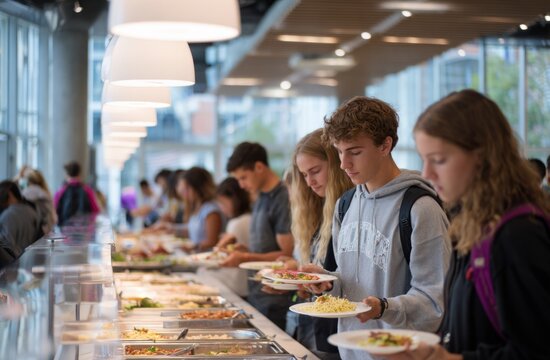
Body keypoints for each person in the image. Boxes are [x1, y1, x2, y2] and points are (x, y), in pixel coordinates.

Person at [386, 89, 550, 360]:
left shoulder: (517, 234)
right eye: (424, 159)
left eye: (438, 160)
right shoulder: (472, 222)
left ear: (482, 156)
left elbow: (535, 349)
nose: (427, 173)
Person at [306, 96, 451, 360]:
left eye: (355, 152)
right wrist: (327, 283)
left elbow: (434, 301)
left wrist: (384, 307)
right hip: (348, 352)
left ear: (386, 145)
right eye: (339, 151)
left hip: (398, 353)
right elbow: (350, 283)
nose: (343, 164)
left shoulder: (420, 208)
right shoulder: (345, 204)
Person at [285, 128, 354, 359]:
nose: (310, 182)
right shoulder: (317, 212)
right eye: (304, 175)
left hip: (341, 332)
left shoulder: (350, 209)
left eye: (315, 171)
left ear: (336, 165)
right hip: (313, 325)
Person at [221, 141, 294, 330]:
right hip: (257, 291)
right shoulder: (260, 196)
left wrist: (245, 257)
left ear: (259, 167)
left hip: (274, 297)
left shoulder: (282, 198)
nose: (241, 185)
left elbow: (285, 255)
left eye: (243, 177)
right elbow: (264, 248)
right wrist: (245, 250)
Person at [200, 177, 252, 297]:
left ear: (234, 199)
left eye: (223, 203)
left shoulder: (237, 223)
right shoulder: (249, 218)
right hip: (243, 282)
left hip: (237, 283)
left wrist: (218, 246)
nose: (222, 208)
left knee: (201, 273)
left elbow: (220, 255)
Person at [154, 167, 223, 251]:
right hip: (195, 257)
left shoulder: (211, 210)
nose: (184, 195)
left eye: (186, 190)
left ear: (197, 188)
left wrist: (191, 247)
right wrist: (171, 228)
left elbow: (212, 241)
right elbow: (192, 230)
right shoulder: (197, 207)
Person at [0, 180, 42, 267]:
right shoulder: (31, 210)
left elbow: (6, 245)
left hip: (14, 265)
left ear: (10, 194)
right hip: (30, 262)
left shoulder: (8, 215)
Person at [54, 161, 100, 225]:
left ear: (67, 174)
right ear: (79, 173)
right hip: (84, 229)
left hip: (65, 229)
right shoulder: (87, 190)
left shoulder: (61, 190)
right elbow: (96, 210)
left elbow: (54, 210)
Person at [19, 168, 57, 234]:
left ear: (28, 180)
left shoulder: (25, 193)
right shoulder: (45, 193)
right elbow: (53, 218)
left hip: (30, 230)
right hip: (45, 230)